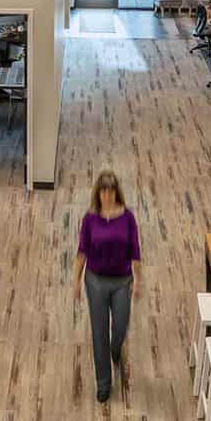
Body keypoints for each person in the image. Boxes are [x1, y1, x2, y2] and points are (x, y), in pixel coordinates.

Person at [73, 170, 142, 403]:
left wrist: (139, 280)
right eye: (103, 191)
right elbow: (82, 251)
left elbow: (135, 251)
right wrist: (75, 281)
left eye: (111, 190)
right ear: (98, 193)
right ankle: (103, 383)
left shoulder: (128, 218)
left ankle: (116, 348)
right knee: (99, 331)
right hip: (96, 281)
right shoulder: (90, 219)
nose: (108, 195)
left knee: (120, 326)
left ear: (116, 192)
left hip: (122, 281)